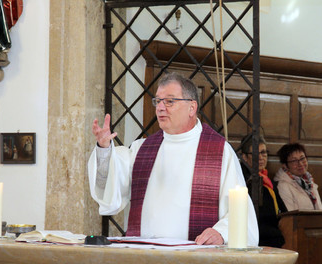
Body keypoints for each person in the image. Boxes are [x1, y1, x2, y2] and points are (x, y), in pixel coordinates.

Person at [88, 72, 258, 246]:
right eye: (158, 101)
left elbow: (241, 212)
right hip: (146, 256)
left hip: (195, 257)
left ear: (192, 107)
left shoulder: (220, 151)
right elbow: (109, 190)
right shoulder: (142, 149)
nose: (160, 107)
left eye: (169, 101)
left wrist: (221, 233)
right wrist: (104, 149)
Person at [241, 135, 287, 248]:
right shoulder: (245, 181)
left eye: (263, 152)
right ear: (245, 157)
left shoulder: (267, 180)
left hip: (274, 237)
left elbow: (284, 211)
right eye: (256, 154)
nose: (261, 157)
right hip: (259, 240)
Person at [274, 143, 322, 211]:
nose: (300, 164)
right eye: (294, 161)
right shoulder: (283, 186)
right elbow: (290, 217)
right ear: (285, 165)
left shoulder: (309, 183)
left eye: (302, 158)